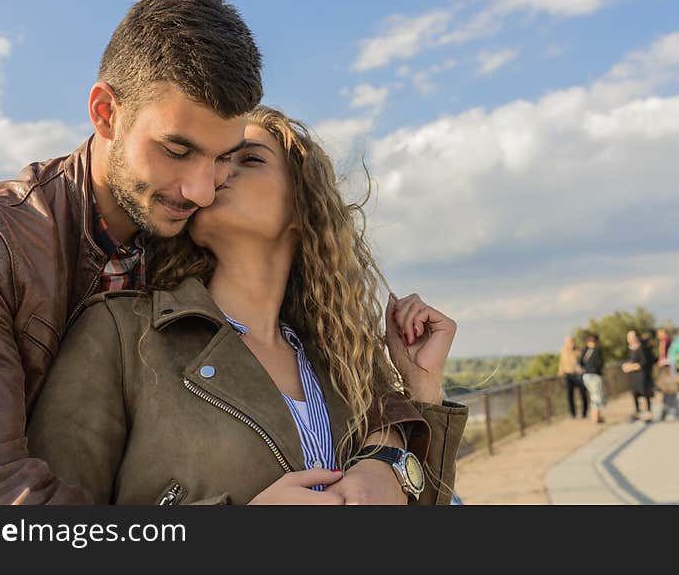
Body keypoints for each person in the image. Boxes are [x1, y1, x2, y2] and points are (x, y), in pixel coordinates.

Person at [0, 0, 424, 504]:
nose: (202, 188)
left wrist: (392, 453)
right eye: (176, 149)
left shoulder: (195, 253)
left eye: (224, 156)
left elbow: (354, 381)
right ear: (105, 113)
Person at [27, 107, 468, 504]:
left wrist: (422, 389)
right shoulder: (120, 334)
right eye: (218, 160)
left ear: (303, 208)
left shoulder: (341, 364)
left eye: (249, 159)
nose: (217, 174)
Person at [623, 330, 654, 422]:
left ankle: (648, 413)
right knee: (635, 394)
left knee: (645, 393)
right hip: (634, 376)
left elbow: (644, 363)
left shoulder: (642, 348)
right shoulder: (631, 349)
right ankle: (637, 412)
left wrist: (631, 367)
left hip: (642, 375)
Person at [558, 336, 587, 419]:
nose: (570, 344)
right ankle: (573, 414)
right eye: (568, 342)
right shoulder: (563, 351)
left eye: (571, 342)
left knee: (583, 394)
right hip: (568, 375)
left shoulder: (578, 350)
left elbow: (583, 362)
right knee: (570, 395)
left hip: (578, 375)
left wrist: (581, 369)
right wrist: (560, 370)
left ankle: (584, 413)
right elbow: (561, 362)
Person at [580, 334, 605, 424]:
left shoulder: (585, 350)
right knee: (597, 397)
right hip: (595, 376)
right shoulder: (597, 351)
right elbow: (600, 363)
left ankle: (595, 417)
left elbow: (580, 362)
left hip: (586, 376)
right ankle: (596, 418)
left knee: (593, 396)